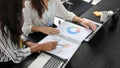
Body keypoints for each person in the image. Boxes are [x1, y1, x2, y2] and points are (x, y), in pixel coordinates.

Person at [0, 0, 57, 67]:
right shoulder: (2, 27)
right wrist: (40, 47)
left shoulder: (11, 16)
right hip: (9, 62)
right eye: (23, 2)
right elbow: (16, 57)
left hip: (22, 51)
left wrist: (27, 42)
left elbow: (17, 35)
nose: (24, 5)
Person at [22, 0, 97, 42]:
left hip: (51, 30)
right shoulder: (28, 4)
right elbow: (25, 28)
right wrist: (41, 29)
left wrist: (81, 20)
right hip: (36, 35)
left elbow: (65, 14)